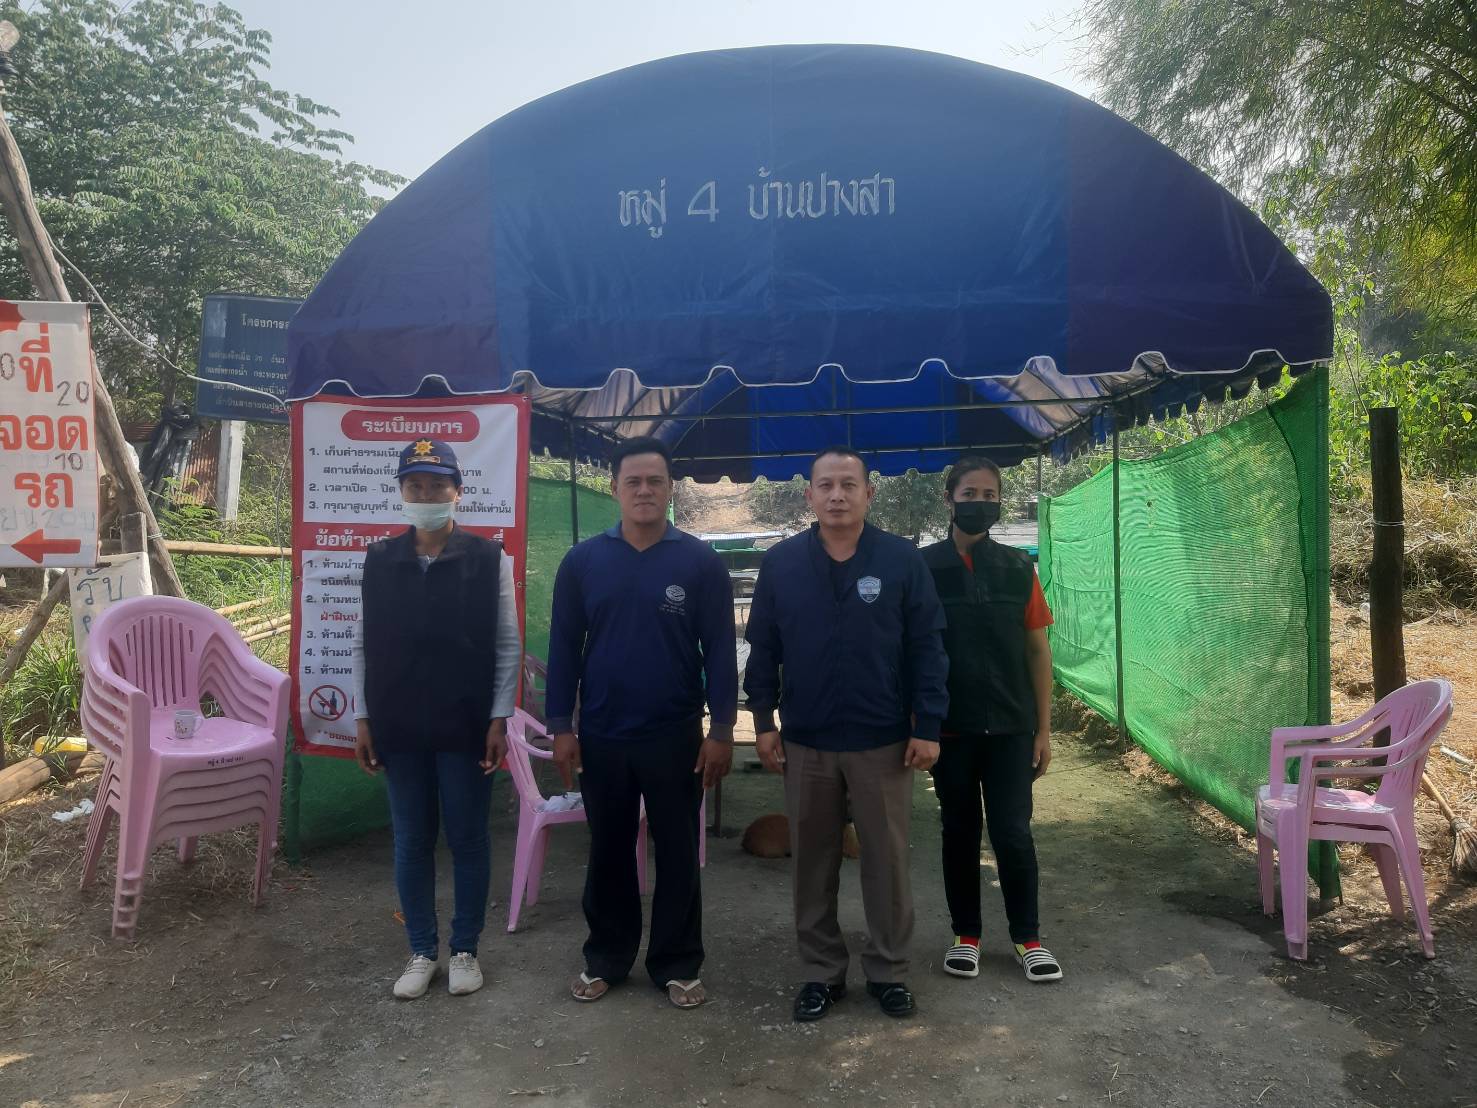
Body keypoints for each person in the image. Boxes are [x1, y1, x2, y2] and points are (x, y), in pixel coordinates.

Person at [745, 446, 949, 1021]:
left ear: (869, 493)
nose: (837, 495)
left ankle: (889, 972)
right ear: (808, 495)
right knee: (813, 862)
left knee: (887, 862)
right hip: (806, 740)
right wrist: (763, 722)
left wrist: (929, 724)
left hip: (883, 741)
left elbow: (928, 648)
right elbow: (763, 648)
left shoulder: (901, 561)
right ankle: (821, 972)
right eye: (826, 485)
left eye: (849, 485)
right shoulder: (782, 564)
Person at [546, 436, 737, 1010]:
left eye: (656, 480)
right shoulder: (582, 562)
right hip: (603, 734)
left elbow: (720, 652)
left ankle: (677, 963)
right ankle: (606, 957)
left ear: (671, 488)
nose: (645, 490)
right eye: (634, 481)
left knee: (678, 851)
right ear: (615, 488)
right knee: (608, 849)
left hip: (674, 734)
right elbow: (563, 648)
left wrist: (722, 731)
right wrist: (561, 726)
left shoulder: (700, 562)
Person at [352, 438, 521, 1000]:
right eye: (415, 485)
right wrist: (364, 717)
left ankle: (465, 948)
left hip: (465, 722)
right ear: (401, 492)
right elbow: (362, 644)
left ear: (457, 492)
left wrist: (499, 717)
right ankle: (422, 951)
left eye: (437, 485)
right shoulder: (380, 560)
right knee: (411, 839)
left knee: (468, 838)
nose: (426, 495)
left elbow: (506, 643)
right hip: (398, 722)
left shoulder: (489, 559)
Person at [921, 455, 1062, 983]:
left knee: (1013, 833)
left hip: (1010, 729)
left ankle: (1029, 938)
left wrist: (1043, 730)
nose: (980, 504)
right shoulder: (923, 569)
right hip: (949, 730)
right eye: (970, 494)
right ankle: (966, 936)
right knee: (958, 832)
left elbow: (1037, 651)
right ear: (949, 499)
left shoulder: (1018, 568)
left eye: (989, 496)